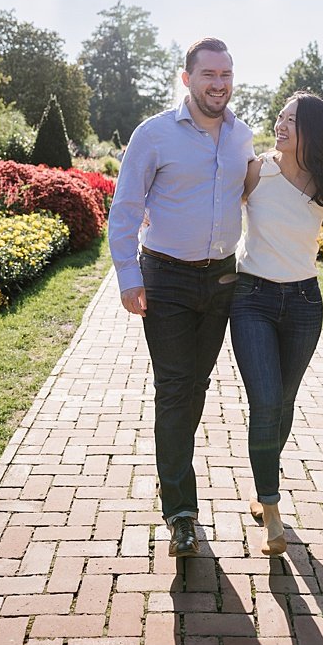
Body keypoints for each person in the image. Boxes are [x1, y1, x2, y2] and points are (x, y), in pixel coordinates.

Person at [109, 39, 257, 557]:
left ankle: (176, 472)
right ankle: (182, 514)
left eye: (227, 74)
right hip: (166, 278)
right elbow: (126, 206)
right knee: (175, 387)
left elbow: (251, 195)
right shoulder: (153, 135)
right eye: (209, 74)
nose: (219, 84)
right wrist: (128, 274)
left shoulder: (243, 138)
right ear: (186, 78)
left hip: (221, 279)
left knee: (196, 385)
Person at [230, 92, 323, 556]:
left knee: (283, 403)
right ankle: (271, 510)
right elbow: (220, 210)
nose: (281, 125)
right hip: (251, 298)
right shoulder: (257, 169)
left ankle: (262, 483)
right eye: (280, 117)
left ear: (313, 130)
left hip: (305, 303)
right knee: (266, 400)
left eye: (292, 120)